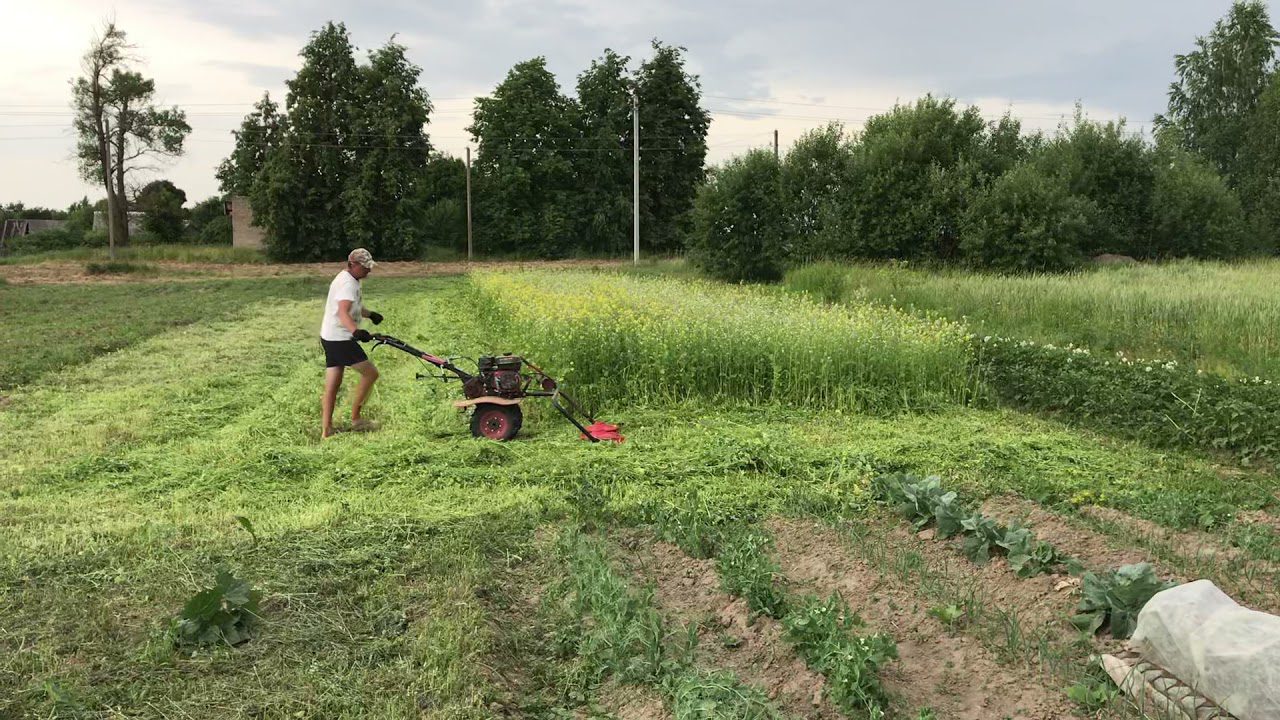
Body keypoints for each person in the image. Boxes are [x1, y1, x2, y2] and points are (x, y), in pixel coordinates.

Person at [319, 248, 385, 438]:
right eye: (365, 268)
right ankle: (356, 419)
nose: (368, 271)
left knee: (333, 384)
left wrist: (370, 314)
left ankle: (327, 430)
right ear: (352, 265)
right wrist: (355, 331)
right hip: (340, 338)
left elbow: (353, 306)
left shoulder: (348, 279)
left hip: (329, 336)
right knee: (371, 373)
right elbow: (342, 312)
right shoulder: (347, 284)